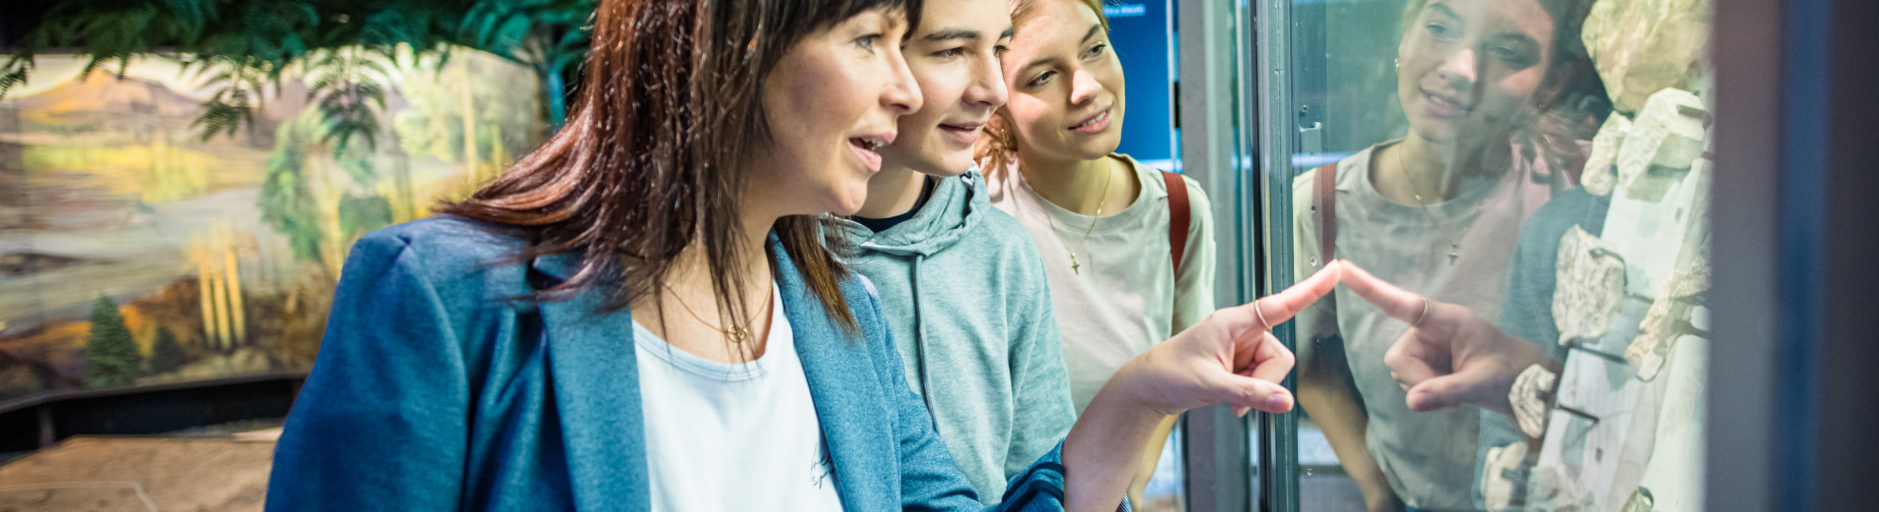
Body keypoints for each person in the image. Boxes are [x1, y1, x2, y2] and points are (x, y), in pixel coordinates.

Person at [264, 0, 1337, 510]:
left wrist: (1144, 390)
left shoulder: (837, 321)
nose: (912, 91)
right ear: (734, 40)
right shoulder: (444, 302)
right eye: (874, 41)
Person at [1288, 0, 1608, 510]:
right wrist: (1377, 489)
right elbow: (1312, 368)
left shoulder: (1583, 188)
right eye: (1439, 27)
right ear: (1403, 36)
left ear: (1551, 82)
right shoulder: (1320, 205)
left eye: (1507, 51)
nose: (1461, 68)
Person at [835, 0, 1075, 504]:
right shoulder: (778, 264)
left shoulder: (1003, 252)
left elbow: (1041, 476)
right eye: (949, 51)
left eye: (1000, 48)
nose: (994, 90)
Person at [978, 0, 1217, 505]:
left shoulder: (1179, 209)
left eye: (1095, 49)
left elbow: (1180, 369)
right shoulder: (972, 214)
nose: (1085, 88)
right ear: (994, 108)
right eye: (1042, 77)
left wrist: (1127, 482)